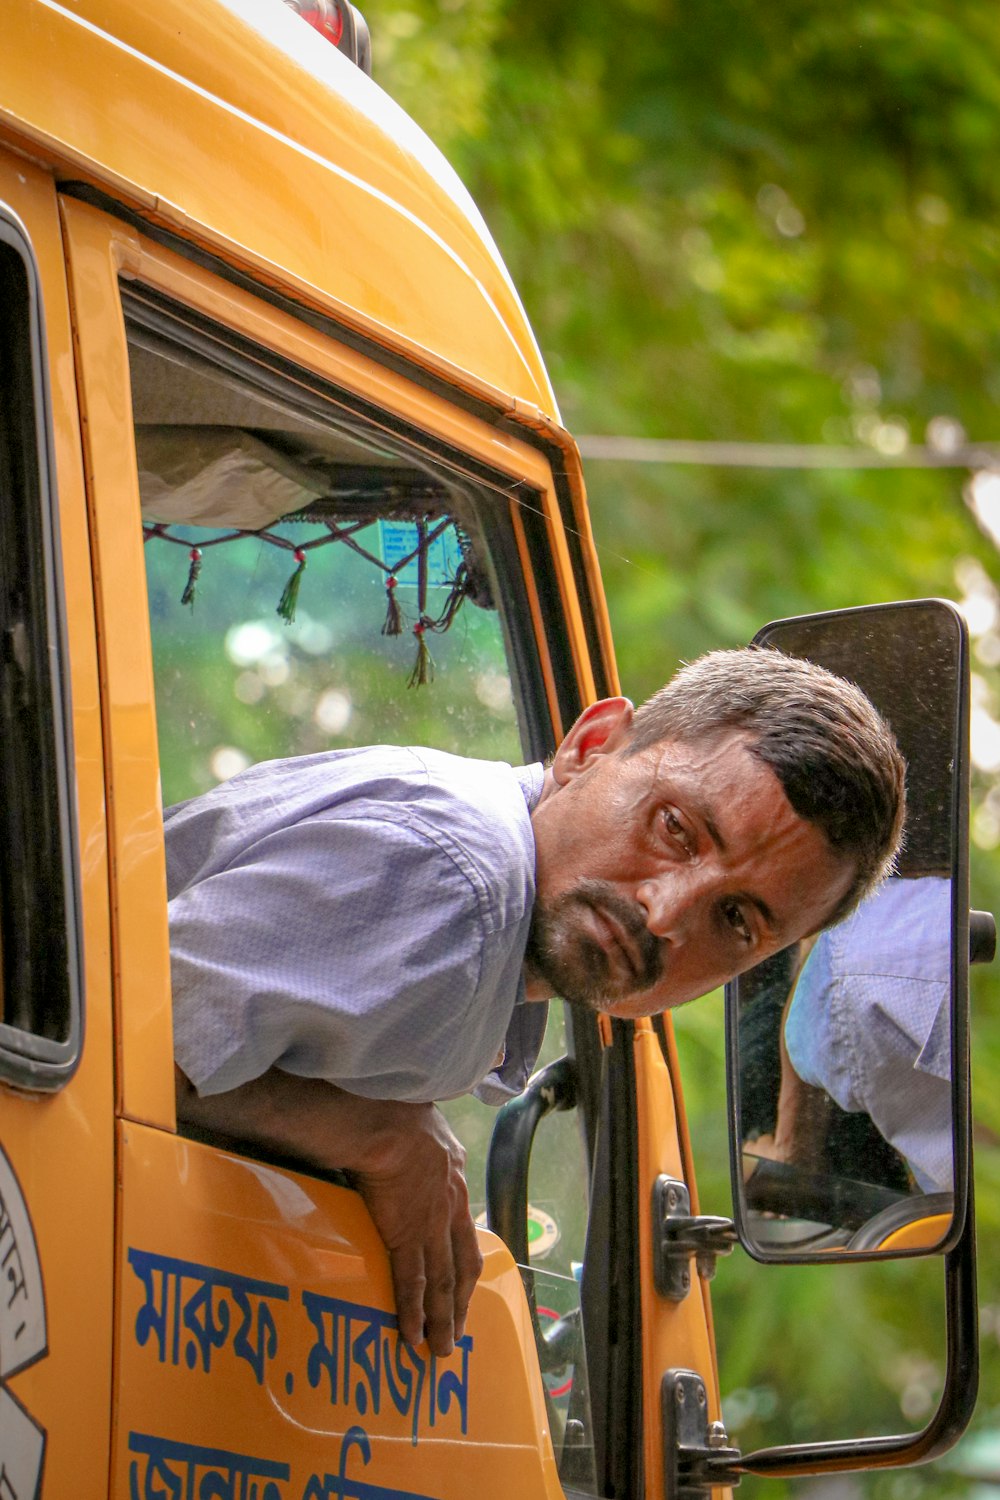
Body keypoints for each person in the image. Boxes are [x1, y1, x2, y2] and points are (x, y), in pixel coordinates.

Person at [168, 647, 905, 1356]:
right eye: (676, 828)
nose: (665, 913)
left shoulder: (482, 903)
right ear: (590, 745)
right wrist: (379, 1139)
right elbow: (95, 1042)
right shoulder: (462, 888)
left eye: (737, 920)